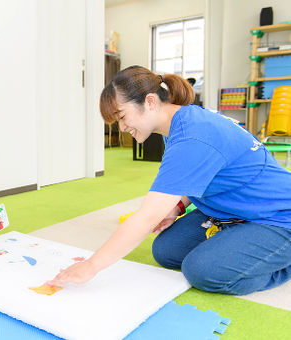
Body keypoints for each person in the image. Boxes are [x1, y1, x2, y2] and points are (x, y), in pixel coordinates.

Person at [48, 65, 291, 295]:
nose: (122, 127)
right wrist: (178, 206)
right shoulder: (178, 124)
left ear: (150, 101)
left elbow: (146, 218)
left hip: (275, 217)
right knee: (166, 251)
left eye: (122, 116)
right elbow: (195, 178)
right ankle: (239, 242)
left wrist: (92, 265)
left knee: (202, 271)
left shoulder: (192, 137)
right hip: (227, 210)